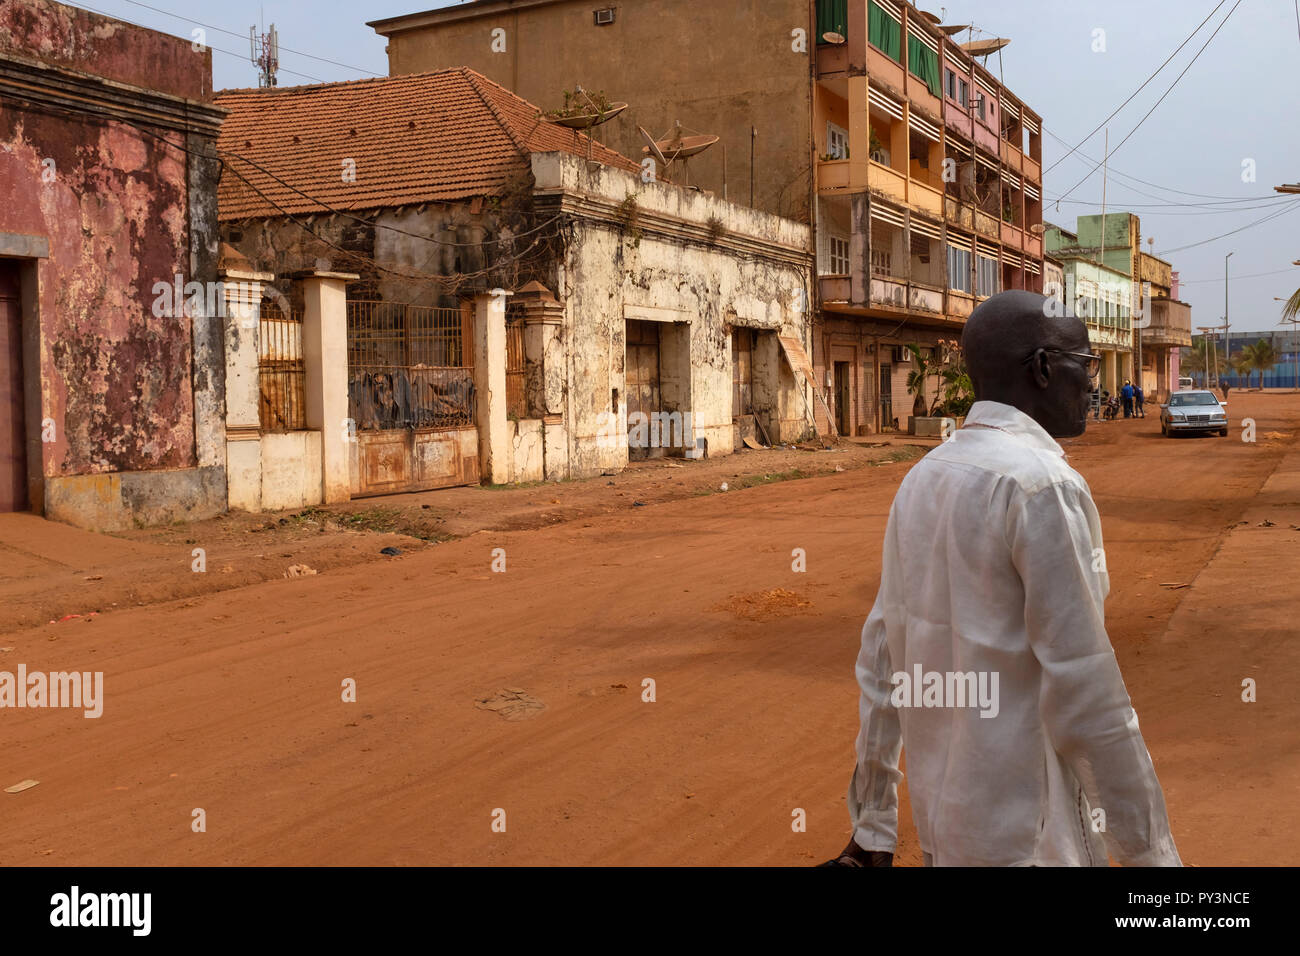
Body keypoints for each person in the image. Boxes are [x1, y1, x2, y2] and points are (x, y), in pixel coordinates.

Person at [821, 290, 1180, 868]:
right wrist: (1154, 862)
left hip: (948, 833)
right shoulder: (1042, 487)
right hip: (1035, 841)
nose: (1092, 383)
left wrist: (873, 827)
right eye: (1084, 364)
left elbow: (883, 662)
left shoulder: (923, 477)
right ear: (1041, 368)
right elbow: (1087, 691)